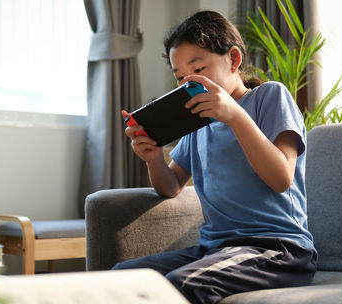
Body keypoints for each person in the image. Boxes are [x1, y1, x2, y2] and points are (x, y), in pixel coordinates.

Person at [118, 10, 317, 304]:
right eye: (181, 77)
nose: (188, 83)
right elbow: (171, 186)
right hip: (216, 249)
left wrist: (235, 117)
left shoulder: (270, 97)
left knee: (183, 283)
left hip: (279, 249)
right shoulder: (197, 122)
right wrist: (153, 159)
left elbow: (281, 179)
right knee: (121, 277)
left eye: (198, 69)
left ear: (234, 60)